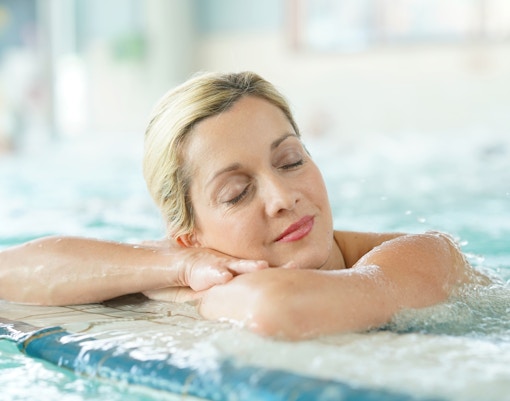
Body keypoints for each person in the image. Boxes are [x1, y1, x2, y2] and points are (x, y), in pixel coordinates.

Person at [0, 71, 474, 340]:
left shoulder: (425, 254)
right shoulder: (190, 263)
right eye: (237, 192)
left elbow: (281, 308)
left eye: (290, 161)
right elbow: (12, 272)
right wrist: (178, 266)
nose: (283, 197)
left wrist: (190, 291)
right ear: (189, 235)